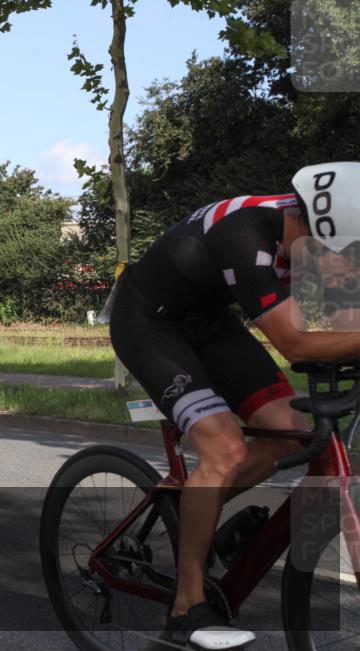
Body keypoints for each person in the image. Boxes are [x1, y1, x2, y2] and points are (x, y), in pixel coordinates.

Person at [109, 161, 360, 649]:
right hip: (148, 325)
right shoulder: (247, 237)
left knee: (295, 430)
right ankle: (185, 608)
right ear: (316, 229)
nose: (345, 266)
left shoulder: (306, 235)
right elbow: (299, 345)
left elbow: (346, 319)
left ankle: (196, 520)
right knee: (224, 449)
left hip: (210, 323)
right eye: (342, 252)